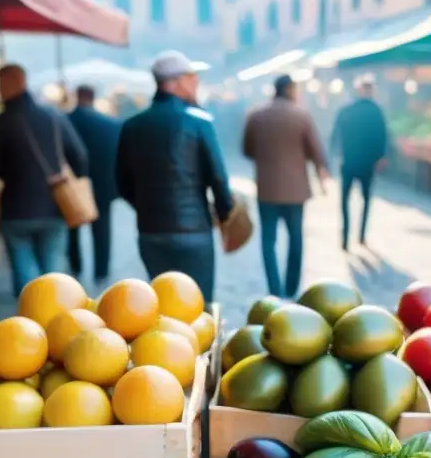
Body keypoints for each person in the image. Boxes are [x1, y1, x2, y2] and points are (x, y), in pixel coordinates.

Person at [116, 51, 234, 303]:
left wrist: (147, 207)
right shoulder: (200, 121)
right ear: (175, 82)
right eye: (192, 77)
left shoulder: (132, 125)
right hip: (194, 231)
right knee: (198, 307)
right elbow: (219, 178)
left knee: (163, 308)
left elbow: (122, 182)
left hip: (151, 231)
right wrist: (226, 216)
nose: (196, 83)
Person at [0, 64, 89, 297]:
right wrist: (65, 177)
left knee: (25, 274)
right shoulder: (53, 117)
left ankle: (29, 319)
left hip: (15, 208)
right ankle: (53, 316)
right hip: (54, 203)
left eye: (0, 83)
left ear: (11, 83)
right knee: (53, 273)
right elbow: (80, 157)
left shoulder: (2, 122)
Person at [242, 75, 328, 299]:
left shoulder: (256, 115)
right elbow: (314, 150)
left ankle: (274, 289)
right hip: (295, 190)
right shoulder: (301, 115)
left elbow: (247, 150)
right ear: (290, 90)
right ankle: (291, 289)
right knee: (296, 239)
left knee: (268, 240)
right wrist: (320, 168)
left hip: (267, 189)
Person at [66, 85, 123, 283]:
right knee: (102, 230)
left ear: (77, 96)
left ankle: (75, 266)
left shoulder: (64, 121)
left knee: (71, 228)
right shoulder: (111, 124)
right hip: (102, 185)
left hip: (71, 185)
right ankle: (101, 270)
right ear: (93, 97)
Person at [331, 76, 389, 252]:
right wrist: (381, 156)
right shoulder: (374, 111)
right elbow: (383, 136)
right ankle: (353, 235)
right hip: (359, 162)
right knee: (358, 200)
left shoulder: (348, 109)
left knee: (351, 200)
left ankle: (355, 235)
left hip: (354, 162)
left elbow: (335, 135)